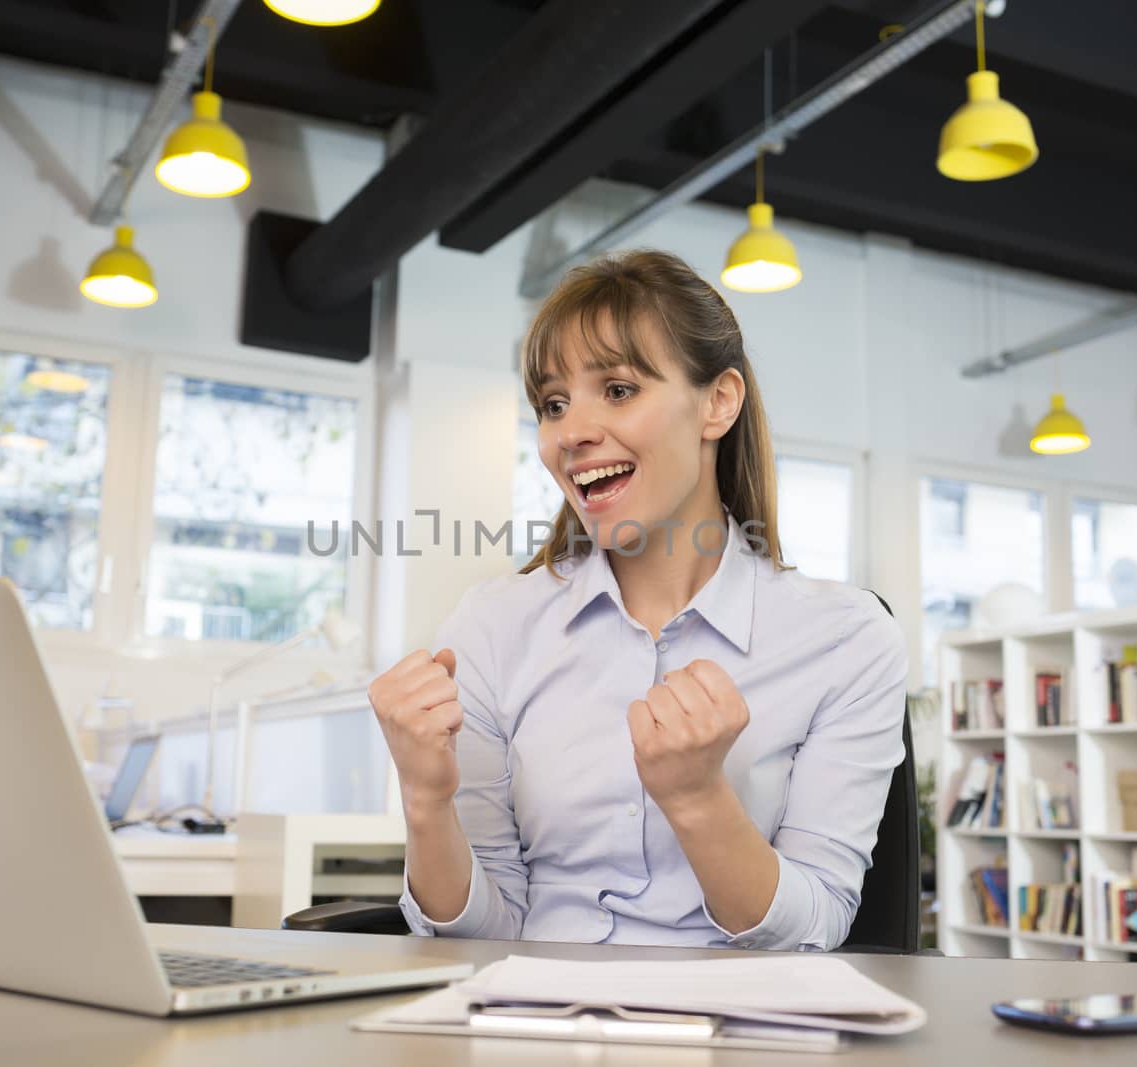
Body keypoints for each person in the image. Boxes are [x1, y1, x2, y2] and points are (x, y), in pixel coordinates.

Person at [368, 250, 907, 951]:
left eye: (618, 389)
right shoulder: (492, 626)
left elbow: (818, 927)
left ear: (719, 402)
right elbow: (484, 935)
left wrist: (699, 799)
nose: (571, 432)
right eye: (554, 404)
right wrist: (424, 800)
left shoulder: (846, 639)